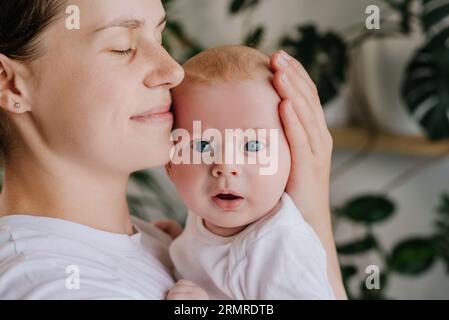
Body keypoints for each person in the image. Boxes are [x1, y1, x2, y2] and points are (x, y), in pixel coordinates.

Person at [0, 0, 346, 299]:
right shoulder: (57, 286)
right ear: (10, 83)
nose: (173, 71)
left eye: (159, 36)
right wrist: (311, 221)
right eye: (122, 46)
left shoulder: (163, 240)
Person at [164, 45, 336, 300]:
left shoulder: (282, 249)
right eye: (202, 145)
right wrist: (181, 243)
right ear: (169, 162)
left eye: (252, 146)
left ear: (291, 157)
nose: (225, 165)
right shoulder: (206, 213)